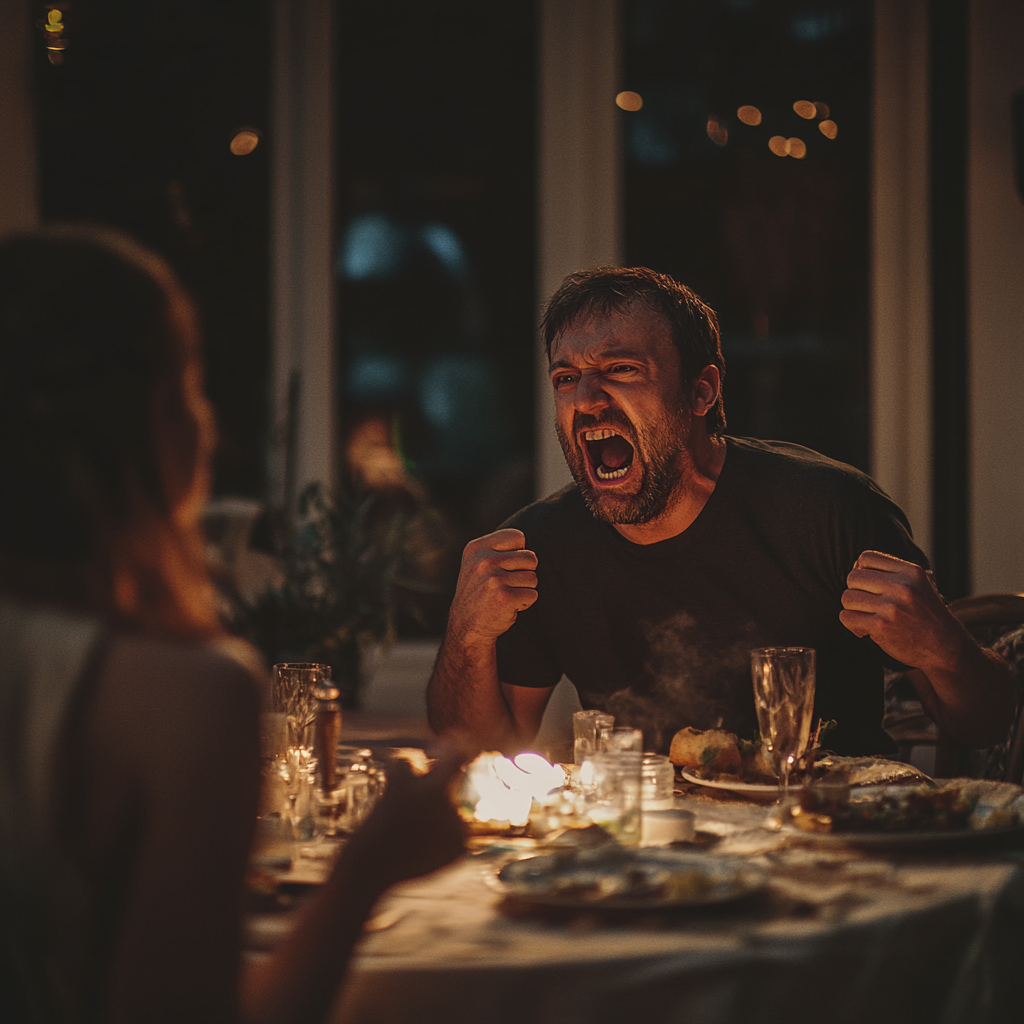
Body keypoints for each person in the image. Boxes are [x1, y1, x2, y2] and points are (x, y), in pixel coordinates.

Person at [0, 226, 466, 1024]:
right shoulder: (178, 698)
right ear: (148, 423)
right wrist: (371, 865)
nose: (208, 422)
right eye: (190, 384)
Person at [427, 266, 1016, 755]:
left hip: (830, 840)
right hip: (646, 852)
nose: (585, 399)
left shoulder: (829, 511)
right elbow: (479, 756)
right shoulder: (537, 549)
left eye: (621, 370)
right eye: (566, 377)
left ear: (702, 392)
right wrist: (465, 634)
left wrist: (944, 643)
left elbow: (988, 730)